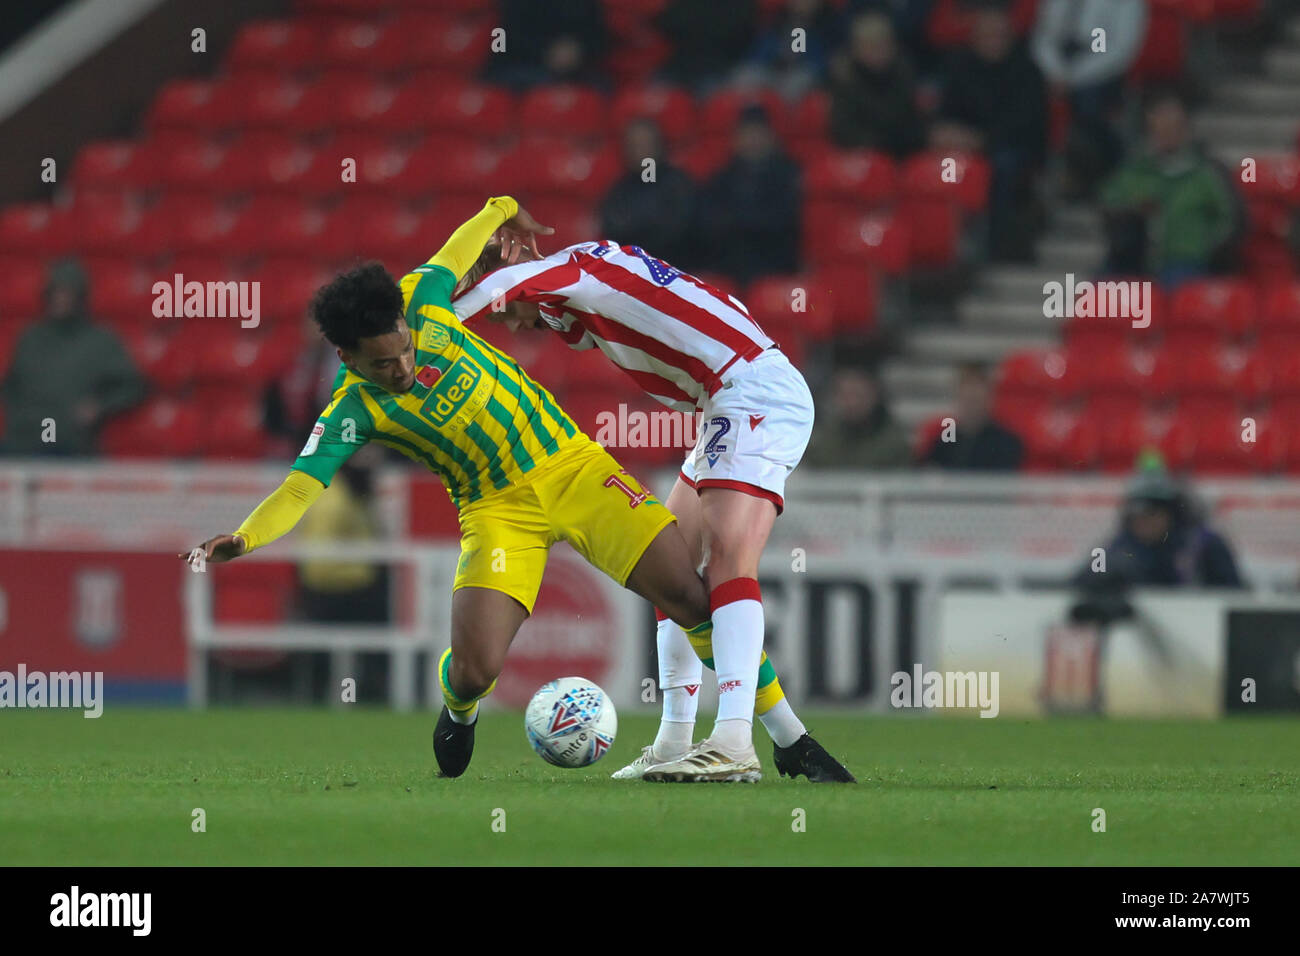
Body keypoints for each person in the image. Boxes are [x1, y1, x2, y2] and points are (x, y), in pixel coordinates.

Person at [181, 197, 720, 780]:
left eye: (404, 347)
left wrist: (504, 206)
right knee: (477, 669)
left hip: (572, 468)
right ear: (346, 356)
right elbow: (297, 490)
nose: (403, 369)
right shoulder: (350, 410)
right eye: (384, 364)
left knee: (690, 598)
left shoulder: (422, 296)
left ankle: (770, 732)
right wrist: (246, 537)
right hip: (495, 512)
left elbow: (466, 240)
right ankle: (460, 708)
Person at [453, 234, 855, 783]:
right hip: (724, 401)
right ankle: (674, 740)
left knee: (727, 560)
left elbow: (512, 283)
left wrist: (434, 319)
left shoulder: (578, 266)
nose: (517, 326)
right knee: (674, 566)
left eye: (509, 314)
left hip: (753, 390)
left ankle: (735, 739)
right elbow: (560, 318)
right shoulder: (577, 290)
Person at [932, 1, 1048, 261]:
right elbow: (946, 113)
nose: (992, 41)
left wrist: (980, 140)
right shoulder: (959, 66)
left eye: (999, 35)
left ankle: (995, 246)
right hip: (966, 150)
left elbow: (1025, 125)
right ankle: (945, 248)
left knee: (1002, 166)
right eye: (986, 36)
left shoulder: (1028, 71)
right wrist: (947, 133)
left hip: (1015, 150)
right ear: (974, 38)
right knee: (939, 168)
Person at [1, 258, 145, 456]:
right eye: (56, 292)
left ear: (80, 297)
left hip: (71, 444)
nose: (60, 299)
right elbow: (11, 387)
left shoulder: (100, 341)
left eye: (67, 293)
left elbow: (133, 386)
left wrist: (100, 405)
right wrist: (18, 418)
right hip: (23, 441)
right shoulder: (29, 338)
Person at [1099, 88, 1240, 287]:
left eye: (1173, 127)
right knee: (1097, 293)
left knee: (1173, 286)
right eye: (1159, 126)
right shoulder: (1135, 170)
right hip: (1132, 258)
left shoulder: (1204, 174)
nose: (1166, 133)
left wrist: (1205, 247)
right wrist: (1133, 209)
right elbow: (1108, 202)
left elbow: (1229, 221)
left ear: (1185, 130)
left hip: (1185, 261)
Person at [1031, 0, 1149, 198]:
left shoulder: (1125, 4)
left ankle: (1103, 171)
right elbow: (1044, 38)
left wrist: (1074, 77)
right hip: (1058, 66)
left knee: (1088, 104)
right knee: (1024, 95)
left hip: (1101, 67)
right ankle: (1038, 182)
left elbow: (1119, 51)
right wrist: (1055, 71)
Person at [1075, 462, 1243, 589]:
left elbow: (1233, 595)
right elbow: (1079, 584)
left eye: (1151, 513)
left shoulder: (1204, 546)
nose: (1142, 521)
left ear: (1170, 514)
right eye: (1135, 515)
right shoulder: (1120, 548)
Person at [697, 105, 802, 285]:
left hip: (775, 267)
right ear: (736, 138)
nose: (753, 140)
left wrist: (740, 222)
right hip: (729, 267)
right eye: (747, 133)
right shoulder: (721, 179)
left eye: (758, 133)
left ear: (771, 136)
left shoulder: (789, 175)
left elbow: (785, 223)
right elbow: (710, 224)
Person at [598, 118, 698, 273]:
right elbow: (613, 232)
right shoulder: (619, 190)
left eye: (645, 144)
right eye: (634, 145)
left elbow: (679, 234)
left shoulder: (678, 185)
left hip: (675, 271)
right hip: (632, 272)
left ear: (659, 146)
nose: (639, 150)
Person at [828, 10, 927, 157]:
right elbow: (844, 130)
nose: (878, 51)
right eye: (870, 45)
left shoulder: (905, 73)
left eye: (882, 44)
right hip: (862, 155)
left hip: (905, 152)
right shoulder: (844, 80)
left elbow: (914, 123)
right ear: (856, 49)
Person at [803, 361, 912, 469]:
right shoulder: (823, 441)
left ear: (873, 395)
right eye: (845, 396)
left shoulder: (893, 443)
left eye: (857, 395)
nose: (851, 403)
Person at [482, 0, 609, 90]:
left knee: (602, 88)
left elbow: (599, 36)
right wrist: (547, 53)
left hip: (576, 69)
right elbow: (505, 38)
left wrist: (579, 50)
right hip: (523, 65)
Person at [920, 362, 1024, 470]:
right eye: (967, 397)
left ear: (989, 397)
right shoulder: (944, 441)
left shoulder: (1006, 443)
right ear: (958, 396)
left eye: (976, 399)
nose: (971, 401)